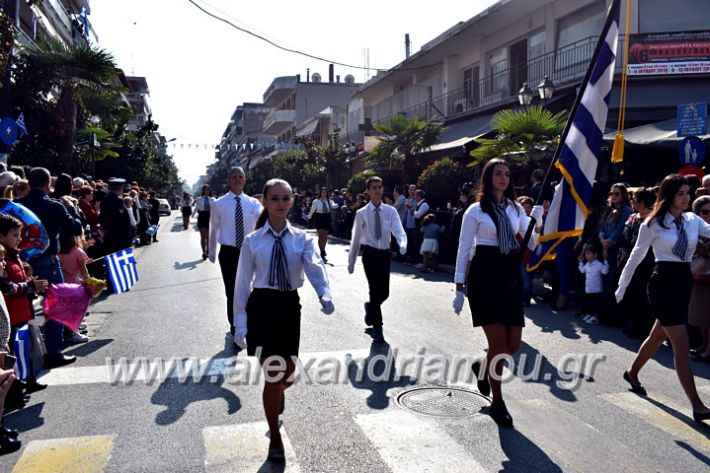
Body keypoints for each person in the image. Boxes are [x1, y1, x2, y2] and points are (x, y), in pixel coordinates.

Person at [233, 178, 334, 461]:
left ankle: (279, 392)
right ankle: (275, 438)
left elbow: (315, 268)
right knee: (273, 375)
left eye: (285, 198)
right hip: (262, 307)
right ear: (264, 202)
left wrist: (324, 294)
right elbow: (242, 284)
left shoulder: (302, 238)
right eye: (274, 198)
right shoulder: (253, 241)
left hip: (289, 306)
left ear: (292, 202)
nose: (280, 203)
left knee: (288, 373)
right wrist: (240, 323)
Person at [452, 158, 542, 427]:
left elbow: (532, 242)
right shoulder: (475, 211)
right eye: (497, 173)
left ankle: (482, 366)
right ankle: (498, 402)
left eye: (506, 174)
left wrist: (535, 222)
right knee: (499, 344)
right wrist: (458, 286)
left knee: (512, 346)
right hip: (484, 275)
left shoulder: (515, 208)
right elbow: (464, 248)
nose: (503, 177)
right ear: (488, 178)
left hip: (510, 273)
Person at [616, 174, 710, 423]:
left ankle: (632, 372)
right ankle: (698, 405)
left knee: (658, 336)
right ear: (668, 196)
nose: (686, 198)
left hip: (683, 283)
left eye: (688, 193)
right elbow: (636, 255)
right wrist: (622, 286)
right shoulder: (653, 223)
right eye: (680, 194)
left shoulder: (692, 220)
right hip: (662, 283)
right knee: (681, 344)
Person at [15, 167, 82, 368]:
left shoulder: (18, 205)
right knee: (56, 307)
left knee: (30, 307)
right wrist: (70, 208)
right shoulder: (55, 206)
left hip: (23, 262)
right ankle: (52, 353)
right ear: (48, 184)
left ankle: (30, 353)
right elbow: (75, 228)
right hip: (48, 261)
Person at [348, 176, 407, 342]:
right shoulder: (362, 213)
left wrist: (402, 243)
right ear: (368, 191)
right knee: (374, 291)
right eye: (374, 187)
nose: (377, 190)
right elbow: (356, 237)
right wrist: (351, 261)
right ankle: (378, 328)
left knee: (384, 292)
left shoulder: (390, 211)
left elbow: (399, 230)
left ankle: (371, 309)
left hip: (384, 254)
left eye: (380, 187)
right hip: (370, 255)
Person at [209, 167, 262, 344]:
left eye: (241, 177)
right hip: (229, 253)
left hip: (249, 252)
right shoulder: (219, 203)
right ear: (229, 180)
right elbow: (213, 228)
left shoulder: (253, 203)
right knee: (232, 291)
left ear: (245, 180)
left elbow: (262, 220)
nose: (238, 179)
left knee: (251, 289)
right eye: (234, 177)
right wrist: (211, 251)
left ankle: (248, 323)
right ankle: (236, 329)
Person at [689, 195, 710, 361]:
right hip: (698, 277)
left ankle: (708, 349)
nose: (708, 215)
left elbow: (704, 251)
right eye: (704, 212)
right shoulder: (694, 227)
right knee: (700, 314)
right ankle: (703, 344)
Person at [577, 242, 609, 325]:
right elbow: (582, 270)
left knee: (596, 304)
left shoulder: (598, 264)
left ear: (595, 255)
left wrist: (605, 260)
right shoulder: (587, 264)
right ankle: (590, 314)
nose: (587, 256)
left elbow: (605, 271)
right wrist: (580, 262)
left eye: (589, 253)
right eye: (586, 254)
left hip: (597, 290)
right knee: (590, 304)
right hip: (588, 289)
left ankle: (595, 317)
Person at [99, 178, 133, 256]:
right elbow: (119, 221)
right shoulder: (115, 201)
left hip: (112, 237)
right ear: (120, 188)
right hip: (118, 238)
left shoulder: (107, 199)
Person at [307, 187, 337, 263]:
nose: (324, 194)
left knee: (325, 236)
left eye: (325, 192)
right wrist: (309, 216)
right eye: (322, 192)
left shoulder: (329, 201)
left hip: (326, 217)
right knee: (320, 235)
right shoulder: (316, 201)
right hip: (319, 217)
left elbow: (333, 205)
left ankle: (323, 249)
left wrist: (335, 205)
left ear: (327, 194)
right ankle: (322, 251)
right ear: (320, 193)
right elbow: (312, 209)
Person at [195, 185, 215, 260]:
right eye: (205, 190)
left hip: (210, 217)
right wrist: (193, 216)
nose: (206, 191)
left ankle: (208, 250)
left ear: (209, 191)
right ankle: (204, 252)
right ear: (203, 191)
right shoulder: (199, 199)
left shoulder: (213, 199)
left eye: (207, 190)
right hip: (202, 217)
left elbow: (216, 210)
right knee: (203, 236)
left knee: (208, 237)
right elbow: (196, 208)